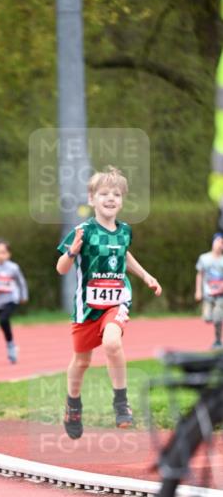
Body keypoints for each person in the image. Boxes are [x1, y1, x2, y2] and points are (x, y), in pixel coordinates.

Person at [56, 166, 162, 439]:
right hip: (87, 307)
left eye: (116, 194)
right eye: (104, 193)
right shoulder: (83, 231)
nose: (111, 198)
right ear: (92, 199)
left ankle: (121, 403)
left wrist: (145, 275)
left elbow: (125, 255)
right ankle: (73, 404)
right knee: (81, 361)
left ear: (122, 200)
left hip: (117, 300)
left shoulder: (125, 231)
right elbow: (61, 268)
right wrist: (72, 252)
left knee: (113, 343)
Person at [195, 232, 223, 348]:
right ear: (213, 242)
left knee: (217, 317)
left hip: (220, 295)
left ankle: (217, 340)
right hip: (208, 294)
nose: (220, 245)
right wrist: (198, 291)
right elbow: (199, 275)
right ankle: (206, 312)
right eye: (219, 242)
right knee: (207, 318)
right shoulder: (204, 258)